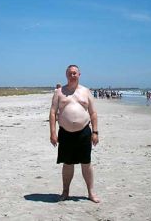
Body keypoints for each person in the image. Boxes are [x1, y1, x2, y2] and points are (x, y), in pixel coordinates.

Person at [49, 64, 100, 203]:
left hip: (84, 132)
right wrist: (53, 133)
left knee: (86, 163)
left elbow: (93, 113)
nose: (72, 75)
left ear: (79, 75)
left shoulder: (86, 91)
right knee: (67, 163)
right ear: (66, 75)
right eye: (70, 73)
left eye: (75, 73)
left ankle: (91, 192)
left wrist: (95, 132)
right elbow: (53, 113)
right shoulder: (59, 92)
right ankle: (65, 192)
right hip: (65, 133)